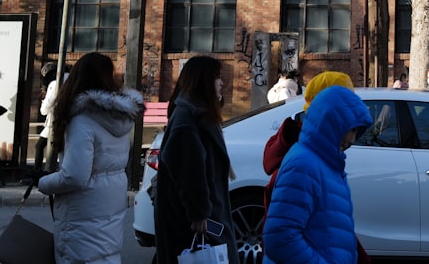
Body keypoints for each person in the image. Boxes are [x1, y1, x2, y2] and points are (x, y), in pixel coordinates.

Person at [37, 52, 143, 264]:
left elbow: (75, 176)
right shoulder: (119, 119)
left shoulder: (82, 121)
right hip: (109, 212)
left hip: (81, 217)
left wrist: (43, 182)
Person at [263, 85, 373, 263]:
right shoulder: (304, 165)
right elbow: (280, 237)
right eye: (351, 130)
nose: (352, 140)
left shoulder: (329, 165)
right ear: (332, 123)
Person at [153, 56, 238, 264]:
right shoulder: (187, 118)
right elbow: (189, 170)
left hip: (197, 218)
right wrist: (199, 212)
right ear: (203, 80)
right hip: (190, 222)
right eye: (217, 77)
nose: (222, 83)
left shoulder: (196, 114)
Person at [33, 61, 59, 176]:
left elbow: (47, 106)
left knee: (40, 146)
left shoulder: (54, 84)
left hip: (54, 120)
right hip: (61, 119)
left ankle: (38, 172)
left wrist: (43, 103)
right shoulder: (69, 80)